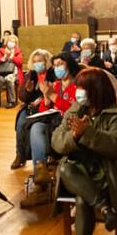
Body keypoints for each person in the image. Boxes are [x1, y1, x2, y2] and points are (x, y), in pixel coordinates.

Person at [51, 67, 117, 235]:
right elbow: (56, 142)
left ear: (96, 90)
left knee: (83, 200)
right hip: (79, 173)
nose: (78, 93)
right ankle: (105, 210)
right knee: (64, 168)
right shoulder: (75, 109)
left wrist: (87, 134)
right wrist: (74, 136)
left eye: (82, 89)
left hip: (108, 174)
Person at [19, 53, 80, 208]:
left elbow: (74, 110)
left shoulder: (79, 85)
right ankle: (40, 173)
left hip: (69, 127)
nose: (57, 67)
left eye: (60, 64)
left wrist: (52, 96)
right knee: (36, 126)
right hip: (52, 123)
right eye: (55, 65)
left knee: (38, 128)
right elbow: (43, 111)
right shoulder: (56, 85)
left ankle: (42, 185)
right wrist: (46, 100)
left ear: (69, 65)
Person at [12, 49, 54, 170]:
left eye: (40, 61)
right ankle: (20, 154)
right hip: (31, 107)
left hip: (47, 107)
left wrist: (42, 98)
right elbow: (22, 96)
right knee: (21, 122)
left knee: (35, 126)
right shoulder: (31, 75)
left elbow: (54, 91)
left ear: (46, 62)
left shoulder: (53, 74)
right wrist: (28, 91)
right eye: (34, 62)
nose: (37, 64)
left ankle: (44, 155)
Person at [0, 34, 23, 109]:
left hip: (13, 72)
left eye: (13, 41)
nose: (11, 43)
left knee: (9, 79)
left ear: (16, 43)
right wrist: (4, 57)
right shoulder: (1, 50)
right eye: (10, 41)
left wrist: (12, 57)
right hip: (2, 72)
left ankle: (12, 101)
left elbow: (20, 62)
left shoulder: (18, 51)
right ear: (7, 42)